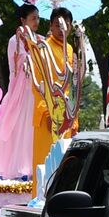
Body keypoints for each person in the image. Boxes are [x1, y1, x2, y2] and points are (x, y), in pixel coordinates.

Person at [0, 1, 42, 179]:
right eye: (33, 18)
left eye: (38, 18)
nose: (36, 22)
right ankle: (16, 169)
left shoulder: (41, 40)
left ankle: (35, 168)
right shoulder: (15, 40)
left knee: (34, 129)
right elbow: (16, 66)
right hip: (21, 89)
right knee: (19, 127)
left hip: (37, 88)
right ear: (23, 20)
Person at [30, 9, 78, 168]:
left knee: (63, 166)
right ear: (50, 26)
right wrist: (47, 112)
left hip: (67, 115)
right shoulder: (43, 48)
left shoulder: (70, 49)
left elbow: (73, 85)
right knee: (45, 164)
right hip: (48, 117)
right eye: (57, 25)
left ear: (70, 27)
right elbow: (38, 83)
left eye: (65, 25)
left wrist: (73, 117)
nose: (61, 29)